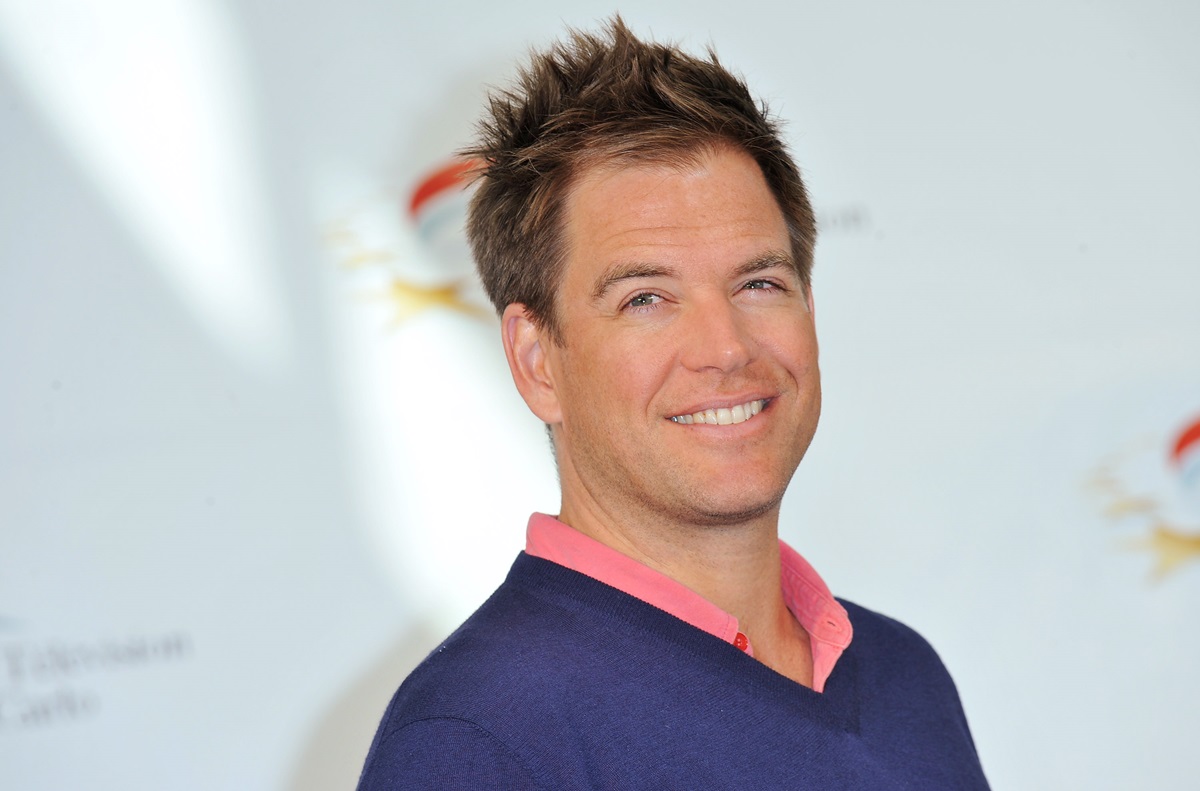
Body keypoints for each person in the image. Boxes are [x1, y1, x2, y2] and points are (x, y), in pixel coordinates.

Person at [357, 17, 989, 790]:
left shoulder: (903, 677)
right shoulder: (479, 740)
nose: (725, 347)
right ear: (536, 360)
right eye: (646, 297)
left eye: (758, 283)